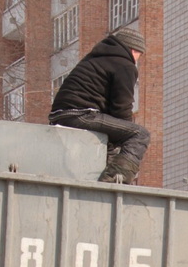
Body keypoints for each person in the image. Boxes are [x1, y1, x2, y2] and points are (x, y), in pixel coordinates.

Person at [50, 28, 150, 184]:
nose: (138, 60)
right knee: (139, 134)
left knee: (109, 143)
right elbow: (122, 107)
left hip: (60, 114)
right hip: (81, 114)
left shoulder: (95, 58)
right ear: (133, 49)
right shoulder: (125, 65)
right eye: (139, 55)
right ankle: (115, 180)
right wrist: (123, 136)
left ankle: (103, 175)